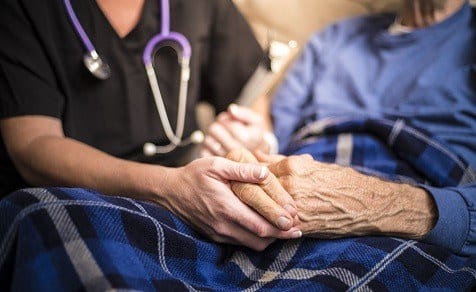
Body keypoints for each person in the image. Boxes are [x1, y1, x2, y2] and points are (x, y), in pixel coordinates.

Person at [0, 0, 303, 250]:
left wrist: (254, 137)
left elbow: (251, 97)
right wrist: (169, 189)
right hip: (76, 200)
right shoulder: (23, 10)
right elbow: (32, 144)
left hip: (193, 196)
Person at [204, 0, 476, 256]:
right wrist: (256, 143)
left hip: (419, 210)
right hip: (298, 192)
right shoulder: (334, 38)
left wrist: (377, 205)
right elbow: (277, 137)